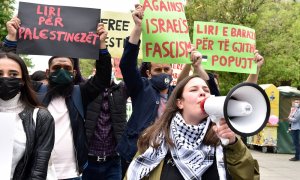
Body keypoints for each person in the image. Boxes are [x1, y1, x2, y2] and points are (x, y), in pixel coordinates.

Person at [2, 17, 112, 179]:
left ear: (74, 74)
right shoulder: (35, 91)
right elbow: (9, 68)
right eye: (56, 68)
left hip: (72, 174)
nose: (62, 71)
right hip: (38, 173)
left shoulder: (80, 93)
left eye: (67, 68)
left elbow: (103, 77)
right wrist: (11, 38)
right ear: (48, 72)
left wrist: (101, 46)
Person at [116, 5, 206, 177]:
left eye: (167, 69)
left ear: (173, 71)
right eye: (158, 70)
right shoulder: (141, 87)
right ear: (149, 73)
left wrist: (190, 62)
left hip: (167, 156)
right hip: (136, 153)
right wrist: (138, 28)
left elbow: (187, 83)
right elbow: (126, 65)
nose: (163, 74)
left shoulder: (177, 95)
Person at [125, 74, 260, 180]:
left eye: (206, 90)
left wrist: (233, 144)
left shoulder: (223, 141)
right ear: (180, 103)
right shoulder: (155, 140)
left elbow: (248, 176)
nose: (202, 93)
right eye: (194, 90)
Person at [0, 52, 55, 179]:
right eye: (0, 74)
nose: (5, 79)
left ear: (23, 81)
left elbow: (38, 170)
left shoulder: (41, 117)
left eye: (13, 74)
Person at [82, 59, 128, 180]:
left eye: (111, 66)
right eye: (103, 66)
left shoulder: (122, 89)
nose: (107, 70)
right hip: (88, 161)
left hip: (113, 161)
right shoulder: (85, 90)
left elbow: (135, 75)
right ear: (95, 70)